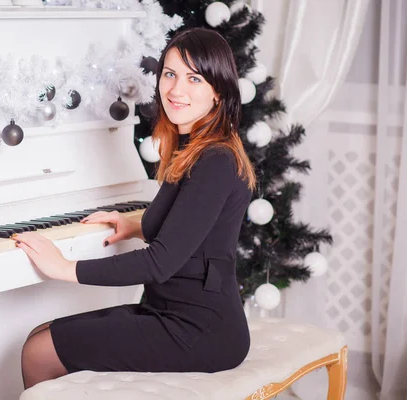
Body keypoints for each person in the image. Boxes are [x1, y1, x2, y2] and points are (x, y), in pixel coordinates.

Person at [15, 27, 257, 390]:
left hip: (201, 328)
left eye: (194, 78)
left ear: (218, 91)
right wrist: (135, 227)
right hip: (172, 311)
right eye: (170, 74)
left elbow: (160, 262)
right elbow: (194, 225)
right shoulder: (195, 145)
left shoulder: (216, 159)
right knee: (42, 335)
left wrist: (65, 268)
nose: (176, 89)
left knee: (38, 350)